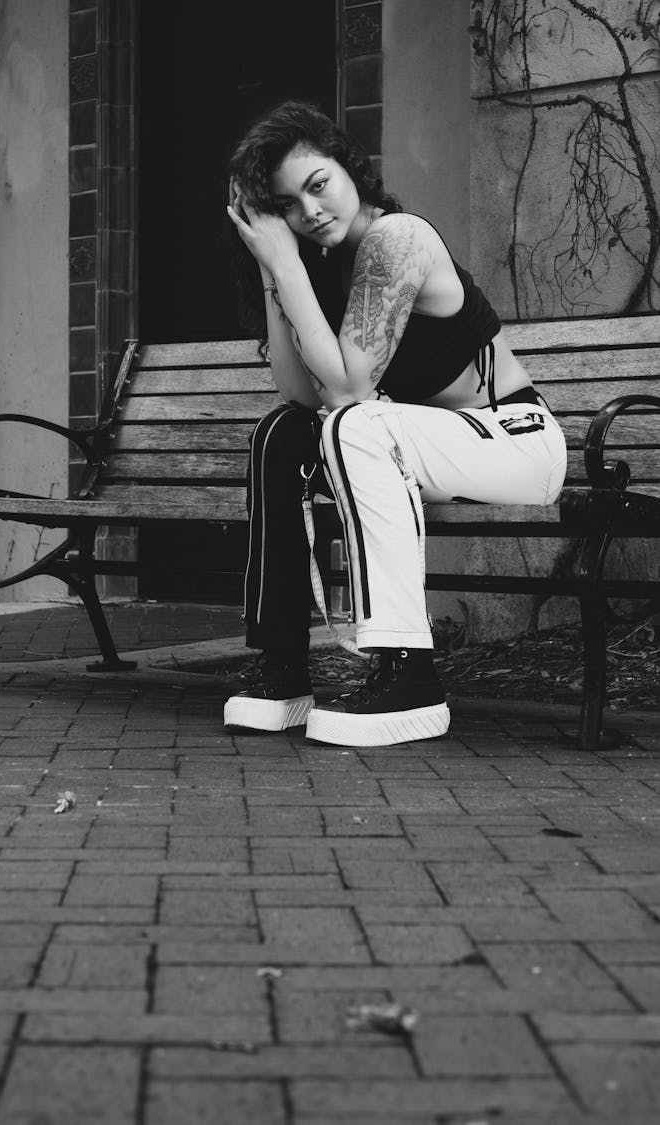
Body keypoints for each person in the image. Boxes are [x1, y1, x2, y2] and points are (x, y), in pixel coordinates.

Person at [222, 100, 567, 748]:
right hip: (429, 448)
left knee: (355, 423)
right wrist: (275, 267)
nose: (311, 210)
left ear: (350, 165)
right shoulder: (326, 268)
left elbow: (350, 387)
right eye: (288, 205)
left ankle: (409, 674)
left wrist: (290, 265)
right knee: (282, 433)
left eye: (317, 184)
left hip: (516, 439)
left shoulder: (396, 239)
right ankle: (283, 664)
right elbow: (301, 395)